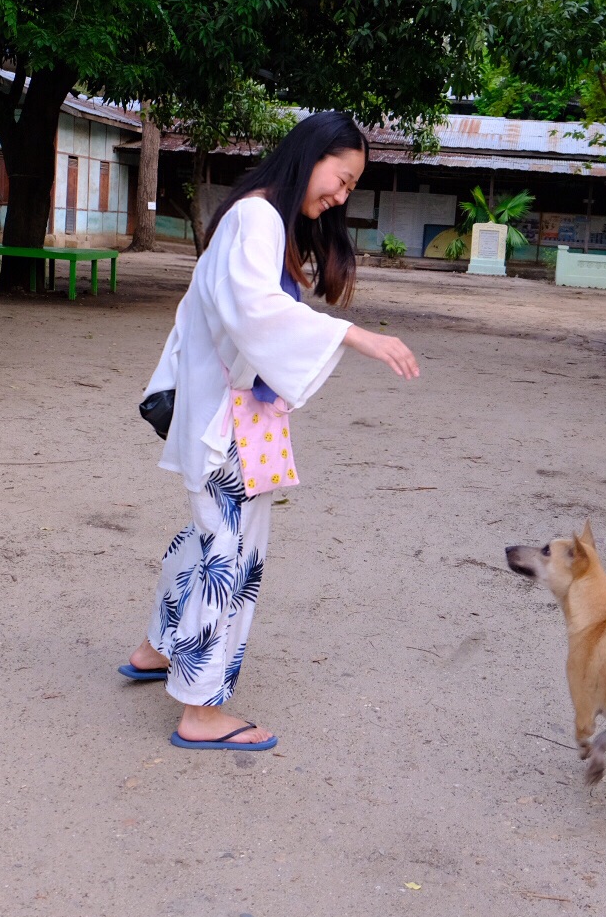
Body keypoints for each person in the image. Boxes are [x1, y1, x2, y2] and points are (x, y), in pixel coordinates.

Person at [122, 111, 420, 750]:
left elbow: (224, 312)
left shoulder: (258, 216)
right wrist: (356, 335)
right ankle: (201, 711)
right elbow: (256, 311)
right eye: (340, 179)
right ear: (310, 156)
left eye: (348, 188)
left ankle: (156, 647)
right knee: (229, 552)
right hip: (226, 418)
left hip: (235, 414)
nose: (341, 197)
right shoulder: (258, 217)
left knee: (212, 537)